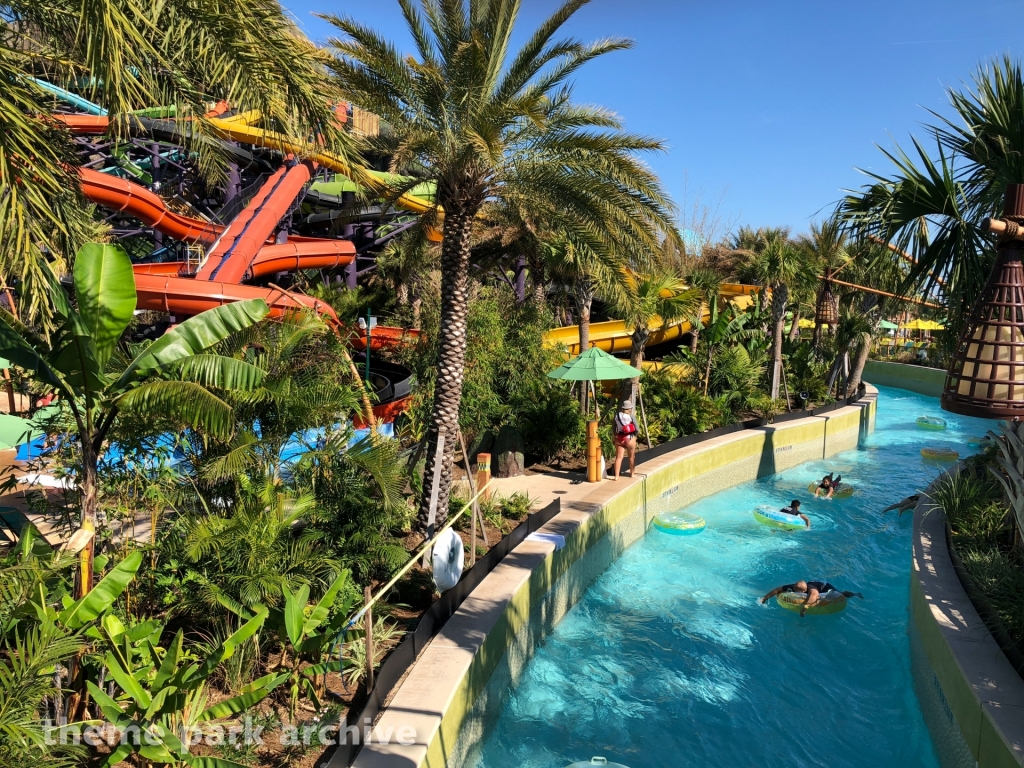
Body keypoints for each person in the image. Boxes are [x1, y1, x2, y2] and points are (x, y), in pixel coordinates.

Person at [760, 580, 864, 617]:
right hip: (812, 584)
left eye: (795, 590)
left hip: (824, 586)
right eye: (794, 588)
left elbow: (814, 595)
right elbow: (777, 590)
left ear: (803, 592)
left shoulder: (811, 590)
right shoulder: (795, 587)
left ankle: (855, 594)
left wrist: (805, 607)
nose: (793, 590)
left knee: (842, 594)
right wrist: (764, 598)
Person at [610, 406, 638, 481]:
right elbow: (637, 428)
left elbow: (614, 427)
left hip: (619, 438)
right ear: (629, 409)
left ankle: (616, 476)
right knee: (631, 456)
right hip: (629, 438)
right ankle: (632, 474)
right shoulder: (631, 417)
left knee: (619, 457)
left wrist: (615, 435)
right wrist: (635, 436)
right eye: (630, 408)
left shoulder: (617, 416)